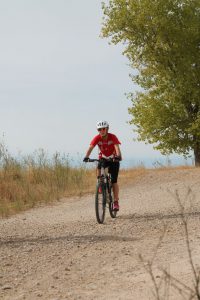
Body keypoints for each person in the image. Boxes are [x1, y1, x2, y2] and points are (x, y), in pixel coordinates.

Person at [83, 121, 122, 211]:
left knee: (114, 181)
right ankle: (100, 184)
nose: (102, 131)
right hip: (103, 158)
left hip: (113, 158)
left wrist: (118, 156)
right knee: (99, 165)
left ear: (107, 129)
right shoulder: (97, 138)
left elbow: (117, 147)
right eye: (100, 129)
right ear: (98, 130)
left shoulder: (113, 137)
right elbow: (91, 147)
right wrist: (86, 157)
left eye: (104, 129)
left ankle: (116, 202)